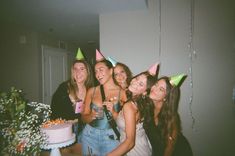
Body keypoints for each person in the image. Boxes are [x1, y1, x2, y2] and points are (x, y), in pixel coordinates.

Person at [81, 59, 127, 156]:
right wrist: (91, 116)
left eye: (101, 69)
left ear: (111, 71)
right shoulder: (91, 91)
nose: (98, 74)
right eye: (96, 71)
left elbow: (127, 121)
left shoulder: (122, 93)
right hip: (89, 135)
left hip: (111, 137)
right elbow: (83, 117)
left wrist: (114, 112)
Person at [50, 59, 93, 154]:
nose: (78, 72)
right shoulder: (64, 88)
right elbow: (54, 109)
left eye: (82, 69)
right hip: (66, 128)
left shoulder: (91, 89)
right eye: (75, 69)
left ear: (88, 72)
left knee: (81, 152)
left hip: (84, 128)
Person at [107, 71, 155, 156]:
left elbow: (130, 142)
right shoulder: (140, 103)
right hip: (142, 146)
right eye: (137, 78)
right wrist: (113, 111)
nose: (135, 82)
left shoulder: (129, 106)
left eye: (141, 84)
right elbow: (126, 122)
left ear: (144, 92)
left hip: (136, 151)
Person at [144, 76, 193, 156]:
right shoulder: (147, 107)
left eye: (161, 89)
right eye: (156, 84)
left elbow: (170, 148)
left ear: (166, 97)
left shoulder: (171, 117)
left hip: (178, 152)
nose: (154, 89)